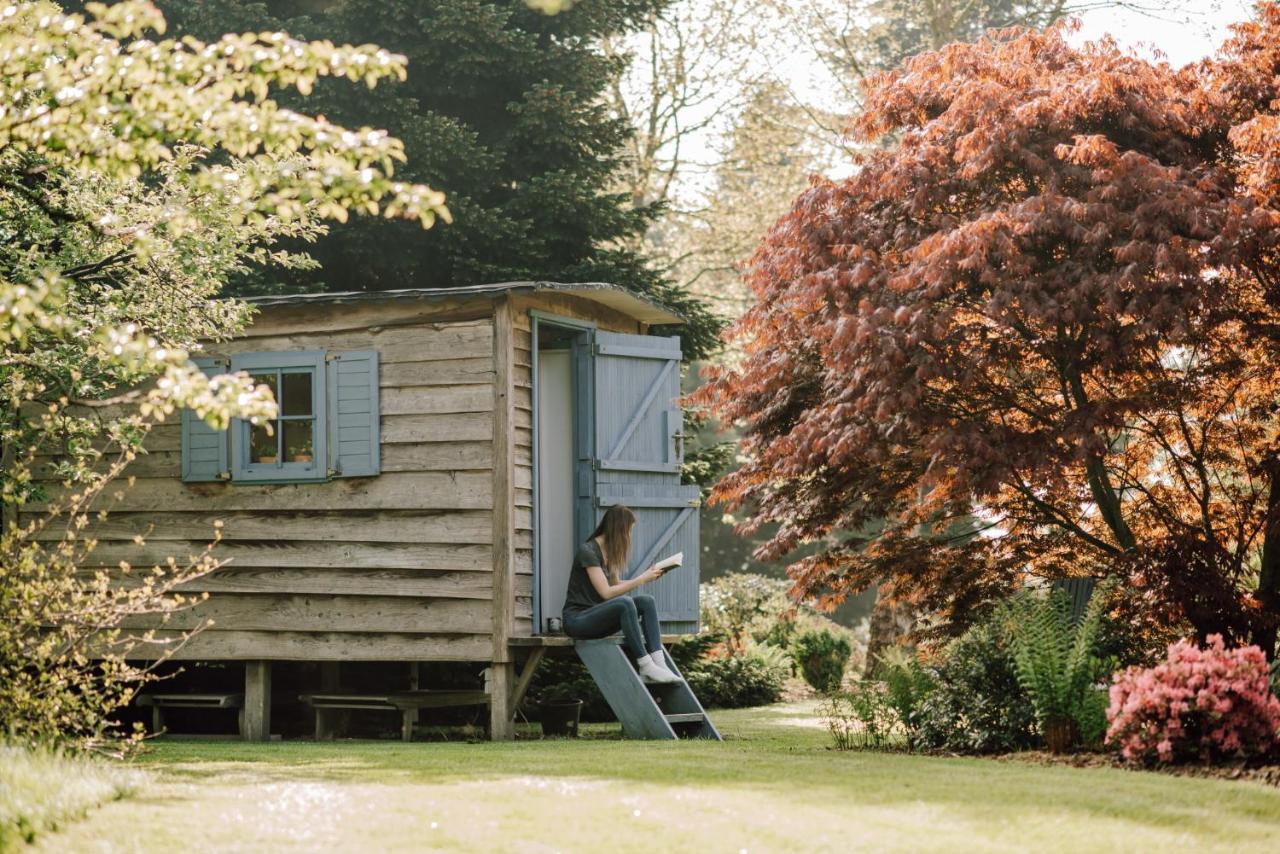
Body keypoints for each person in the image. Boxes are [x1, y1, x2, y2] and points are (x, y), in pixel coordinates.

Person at [562, 505, 682, 684]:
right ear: (618, 529)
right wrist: (641, 579)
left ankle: (659, 663)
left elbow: (616, 584)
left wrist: (649, 576)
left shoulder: (611, 552)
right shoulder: (588, 552)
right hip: (578, 620)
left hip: (598, 617)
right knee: (625, 603)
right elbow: (606, 593)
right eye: (629, 531)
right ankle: (645, 666)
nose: (629, 536)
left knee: (646, 601)